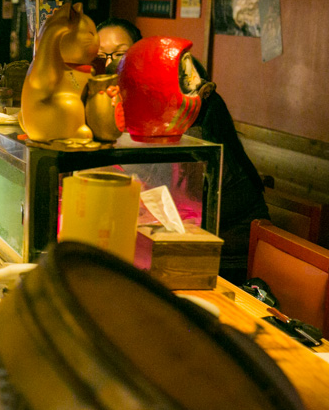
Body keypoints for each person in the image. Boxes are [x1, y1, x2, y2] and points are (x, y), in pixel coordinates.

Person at [96, 19, 269, 282]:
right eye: (100, 56)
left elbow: (175, 212)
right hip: (188, 251)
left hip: (225, 263)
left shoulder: (191, 134)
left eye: (121, 55)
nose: (111, 64)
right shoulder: (147, 119)